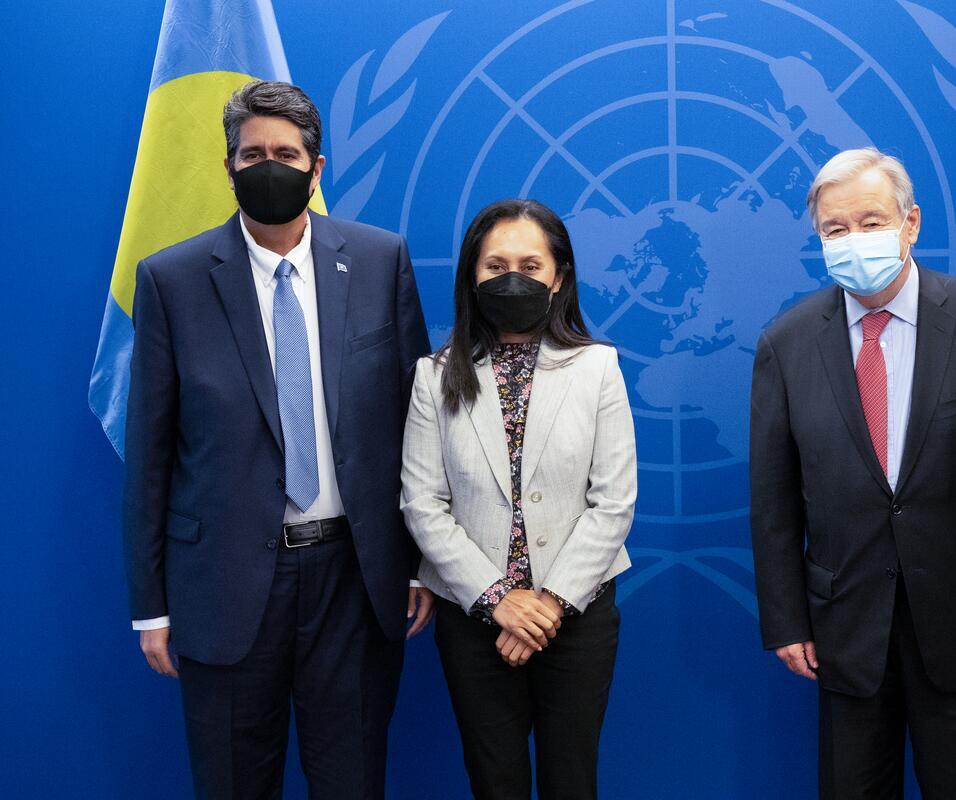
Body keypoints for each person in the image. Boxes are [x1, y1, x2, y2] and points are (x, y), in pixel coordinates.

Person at [123, 80, 433, 798]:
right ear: (229, 166)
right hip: (224, 586)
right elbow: (150, 458)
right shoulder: (171, 280)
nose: (270, 167)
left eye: (286, 155)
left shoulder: (380, 260)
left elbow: (417, 428)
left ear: (316, 168)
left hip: (354, 581)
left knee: (352, 781)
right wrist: (151, 604)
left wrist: (417, 565)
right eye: (253, 154)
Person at [750, 147, 956, 799]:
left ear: (910, 223)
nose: (853, 239)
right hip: (845, 625)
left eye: (871, 222)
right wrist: (786, 619)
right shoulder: (786, 343)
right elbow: (774, 503)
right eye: (836, 229)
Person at [400, 199, 636, 800]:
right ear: (472, 276)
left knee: (572, 781)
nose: (513, 279)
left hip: (577, 613)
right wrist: (498, 599)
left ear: (558, 278)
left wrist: (547, 605)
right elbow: (423, 503)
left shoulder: (598, 368)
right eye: (495, 265)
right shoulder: (435, 375)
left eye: (531, 266)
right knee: (494, 781)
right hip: (474, 618)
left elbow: (613, 502)